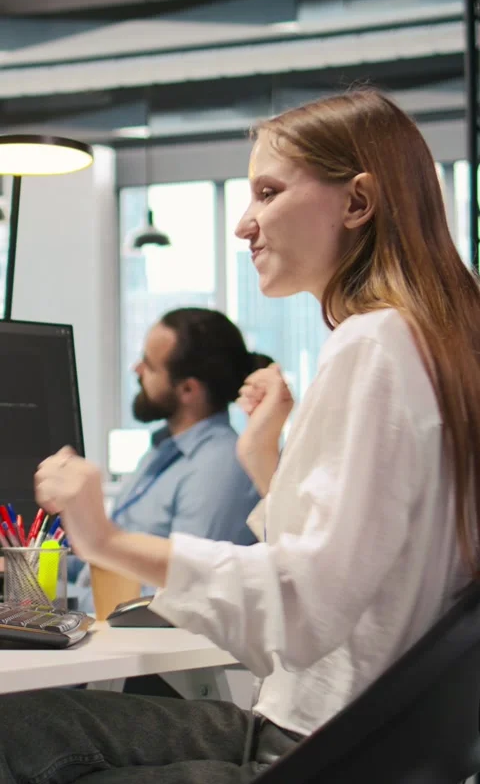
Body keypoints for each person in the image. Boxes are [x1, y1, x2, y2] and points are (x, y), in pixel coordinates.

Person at [1, 88, 480, 784]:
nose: (244, 224)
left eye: (267, 191)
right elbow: (365, 568)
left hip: (310, 749)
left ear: (356, 203)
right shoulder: (435, 344)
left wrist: (103, 537)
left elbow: (305, 608)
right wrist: (268, 462)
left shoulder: (375, 344)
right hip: (356, 742)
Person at [69, 307, 273, 612]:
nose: (136, 369)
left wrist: (64, 600)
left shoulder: (218, 469)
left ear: (188, 389)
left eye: (149, 366)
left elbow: (177, 595)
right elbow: (94, 566)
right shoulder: (162, 450)